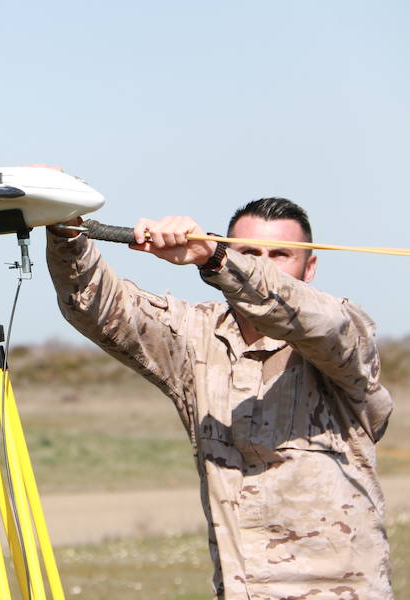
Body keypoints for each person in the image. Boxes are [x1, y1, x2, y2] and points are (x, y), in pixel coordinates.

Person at [46, 198, 393, 599]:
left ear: (309, 268)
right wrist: (65, 224)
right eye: (249, 252)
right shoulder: (197, 333)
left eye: (280, 254)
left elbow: (321, 320)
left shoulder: (344, 332)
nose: (262, 265)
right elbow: (100, 308)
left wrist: (218, 259)